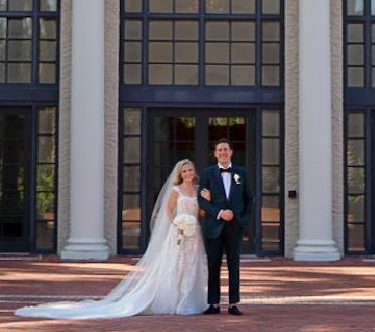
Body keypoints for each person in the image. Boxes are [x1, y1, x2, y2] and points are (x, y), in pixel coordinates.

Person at [14, 159, 208, 319]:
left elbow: (200, 212)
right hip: (178, 234)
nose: (188, 173)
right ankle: (174, 301)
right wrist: (178, 225)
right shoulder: (176, 191)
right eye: (185, 171)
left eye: (190, 169)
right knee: (175, 266)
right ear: (180, 174)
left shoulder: (199, 190)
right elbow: (168, 211)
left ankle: (189, 301)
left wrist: (203, 205)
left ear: (194, 171)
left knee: (192, 267)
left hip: (194, 234)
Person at [197, 137, 254, 316]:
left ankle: (233, 304)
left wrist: (243, 220)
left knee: (234, 265)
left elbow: (249, 199)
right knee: (213, 265)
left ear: (231, 152)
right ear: (215, 153)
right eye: (219, 149)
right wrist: (220, 212)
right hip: (214, 226)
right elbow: (201, 201)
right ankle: (213, 304)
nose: (222, 152)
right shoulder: (207, 173)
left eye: (225, 149)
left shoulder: (241, 173)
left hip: (235, 227)